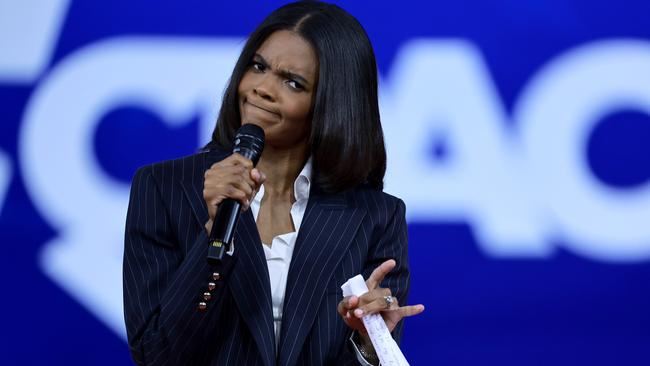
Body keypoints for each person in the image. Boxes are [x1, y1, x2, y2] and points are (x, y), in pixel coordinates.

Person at [123, 2, 424, 365]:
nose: (262, 89)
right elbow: (155, 355)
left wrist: (367, 346)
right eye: (258, 66)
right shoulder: (163, 188)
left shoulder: (376, 215)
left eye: (293, 83)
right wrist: (215, 238)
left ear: (332, 104)